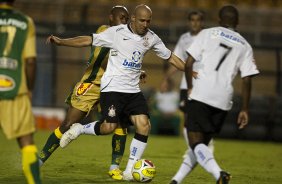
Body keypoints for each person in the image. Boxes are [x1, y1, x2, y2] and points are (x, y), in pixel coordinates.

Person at [49, 4, 185, 181]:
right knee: (109, 127)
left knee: (144, 125)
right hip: (112, 88)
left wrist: (191, 71)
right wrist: (62, 41)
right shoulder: (116, 33)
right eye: (142, 20)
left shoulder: (151, 38)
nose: (146, 24)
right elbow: (88, 39)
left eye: (149, 21)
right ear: (134, 19)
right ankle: (80, 129)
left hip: (133, 90)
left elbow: (171, 57)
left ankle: (129, 171)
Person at [39, 5, 131, 180]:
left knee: (120, 124)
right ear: (111, 17)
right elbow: (85, 40)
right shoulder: (105, 31)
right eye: (122, 17)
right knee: (67, 123)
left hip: (113, 86)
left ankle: (114, 168)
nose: (125, 21)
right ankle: (40, 160)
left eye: (127, 19)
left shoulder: (128, 38)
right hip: (92, 84)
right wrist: (62, 41)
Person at [172, 5, 259, 184]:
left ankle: (219, 173)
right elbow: (247, 79)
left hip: (202, 93)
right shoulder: (245, 45)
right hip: (223, 99)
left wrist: (189, 87)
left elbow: (188, 64)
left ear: (219, 20)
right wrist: (245, 109)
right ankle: (175, 181)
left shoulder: (207, 33)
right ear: (238, 22)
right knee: (201, 145)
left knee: (195, 142)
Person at [162, 10, 213, 183]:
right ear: (188, 22)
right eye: (192, 20)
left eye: (198, 20)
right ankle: (195, 148)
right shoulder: (184, 39)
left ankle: (203, 146)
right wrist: (166, 78)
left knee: (203, 118)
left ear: (202, 22)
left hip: (204, 84)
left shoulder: (210, 38)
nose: (195, 23)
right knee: (187, 119)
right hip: (187, 85)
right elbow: (177, 61)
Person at [0, 0, 41, 183]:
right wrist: (30, 89)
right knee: (26, 142)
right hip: (14, 87)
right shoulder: (25, 22)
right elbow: (30, 61)